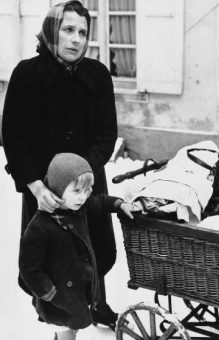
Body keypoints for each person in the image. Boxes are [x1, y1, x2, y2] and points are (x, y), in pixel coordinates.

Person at [1, 1, 119, 329]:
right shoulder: (27, 74)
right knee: (54, 257)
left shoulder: (97, 76)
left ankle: (98, 303)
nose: (76, 39)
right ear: (52, 31)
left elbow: (106, 134)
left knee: (91, 248)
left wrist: (83, 174)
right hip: (44, 190)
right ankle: (59, 322)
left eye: (83, 32)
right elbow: (13, 136)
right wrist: (36, 186)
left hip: (85, 184)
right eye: (68, 29)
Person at [19, 153, 135, 340]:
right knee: (66, 330)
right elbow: (28, 268)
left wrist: (119, 204)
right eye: (77, 191)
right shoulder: (40, 227)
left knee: (73, 327)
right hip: (58, 296)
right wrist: (49, 292)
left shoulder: (77, 207)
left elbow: (100, 202)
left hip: (76, 290)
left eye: (87, 190)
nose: (83, 197)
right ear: (57, 188)